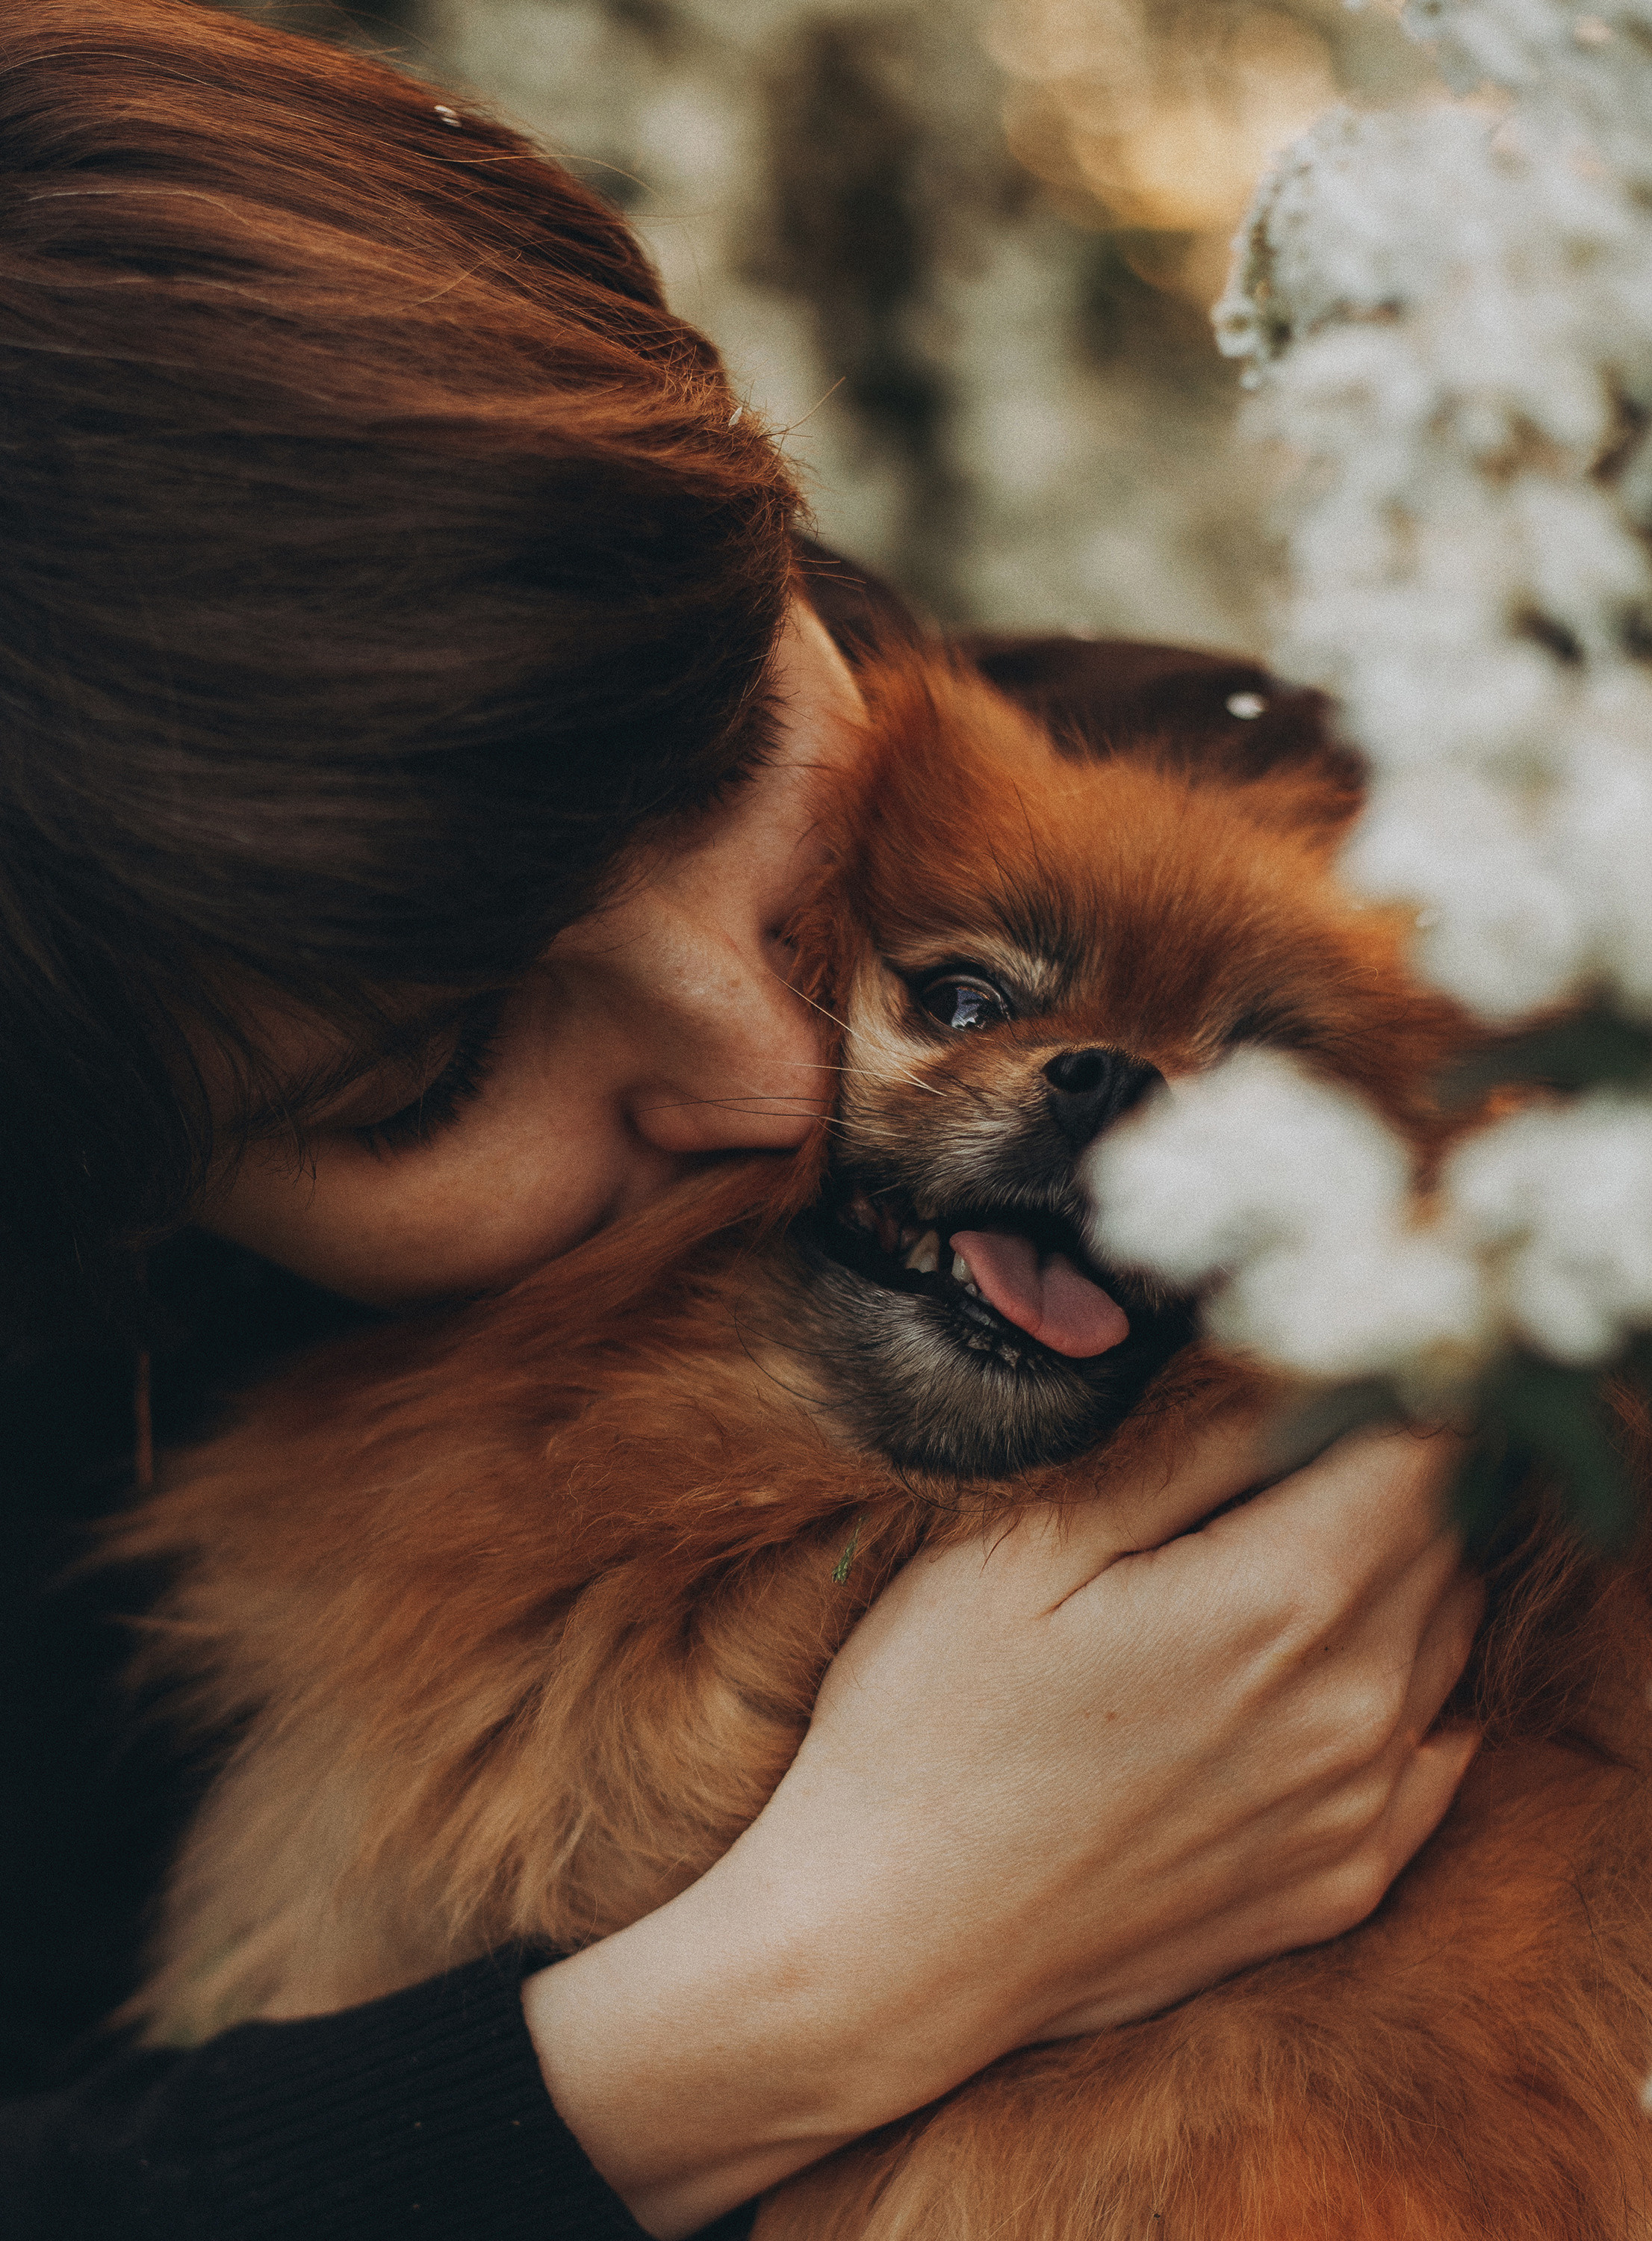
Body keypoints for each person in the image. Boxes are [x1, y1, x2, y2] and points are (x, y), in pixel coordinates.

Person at [1, 5, 1485, 2237]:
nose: (777, 1071)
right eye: (428, 1079)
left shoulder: (1343, 839)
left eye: (714, 763)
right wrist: (810, 1992)